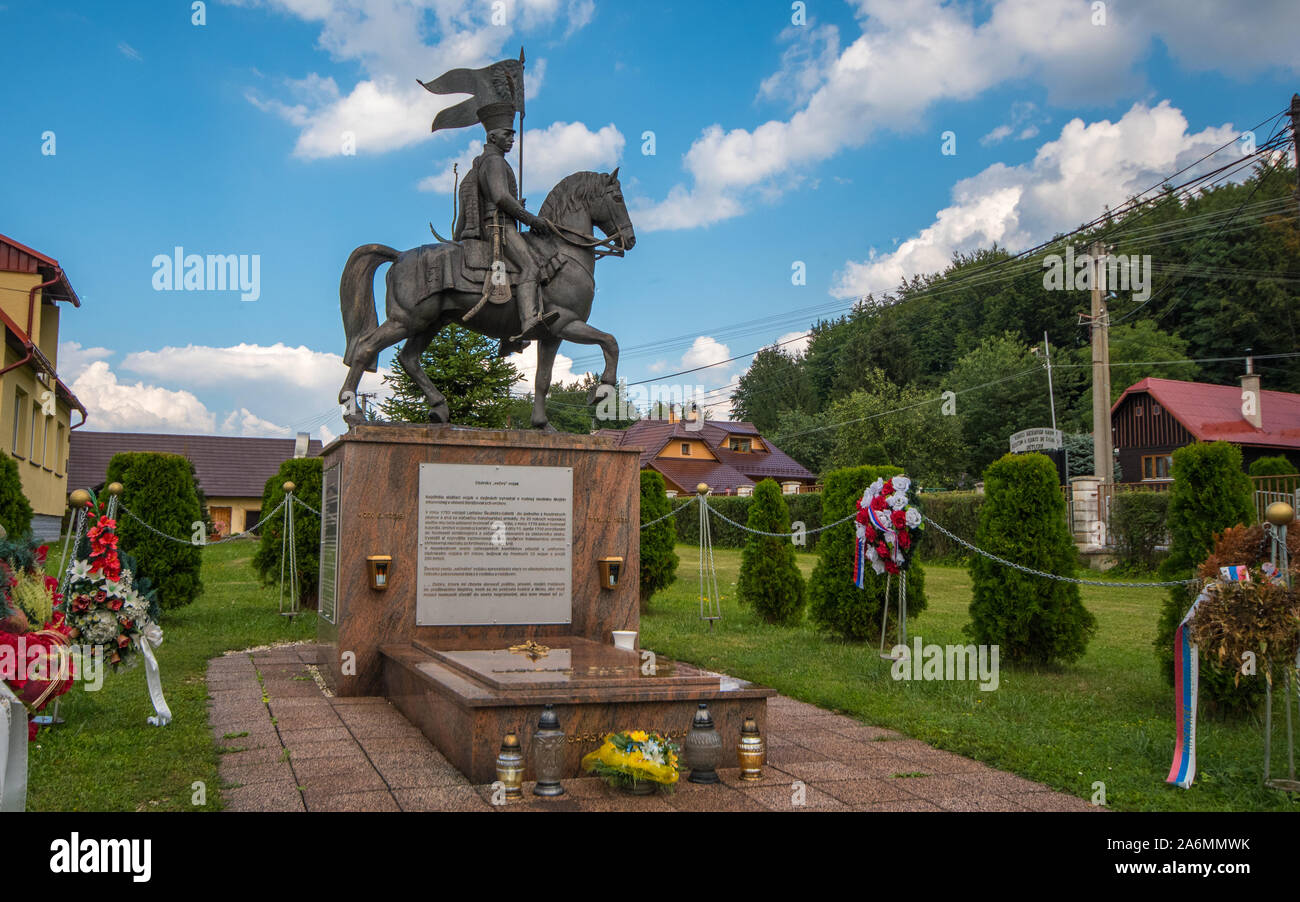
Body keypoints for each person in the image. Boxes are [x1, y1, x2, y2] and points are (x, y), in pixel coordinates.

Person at [454, 101, 560, 346]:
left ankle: (507, 334)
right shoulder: (494, 162)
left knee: (516, 273)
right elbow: (501, 197)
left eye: (513, 135)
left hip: (499, 223)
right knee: (532, 267)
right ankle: (529, 322)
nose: (512, 139)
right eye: (507, 135)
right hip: (499, 227)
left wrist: (516, 204)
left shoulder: (487, 161)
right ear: (492, 136)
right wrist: (529, 217)